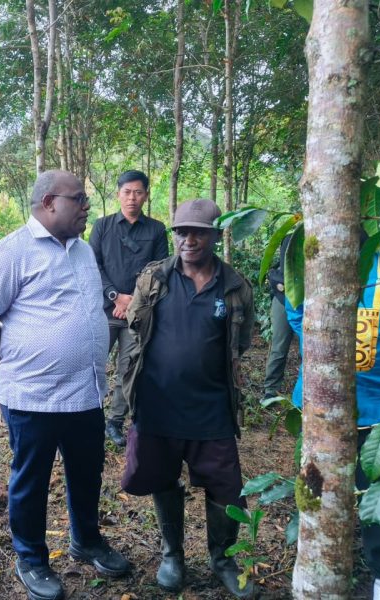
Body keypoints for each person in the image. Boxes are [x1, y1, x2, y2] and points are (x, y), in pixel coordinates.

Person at [0, 170, 130, 600]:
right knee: (31, 479)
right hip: (32, 395)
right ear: (48, 202)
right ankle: (32, 559)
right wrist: (16, 355)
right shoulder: (12, 252)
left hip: (86, 391)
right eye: (79, 199)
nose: (86, 207)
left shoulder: (80, 251)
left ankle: (86, 540)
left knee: (86, 471)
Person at [121, 199, 255, 597]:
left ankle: (222, 558)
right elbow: (135, 325)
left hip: (211, 406)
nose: (188, 239)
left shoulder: (234, 286)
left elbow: (240, 343)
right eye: (181, 231)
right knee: (161, 476)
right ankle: (172, 554)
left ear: (216, 235)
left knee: (226, 486)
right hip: (158, 403)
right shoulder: (154, 278)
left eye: (198, 231)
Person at [287, 254, 380, 600]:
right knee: (318, 484)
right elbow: (296, 310)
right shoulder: (317, 250)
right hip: (324, 397)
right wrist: (329, 350)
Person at [89, 170, 168, 447]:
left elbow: (159, 270)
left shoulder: (156, 230)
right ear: (118, 193)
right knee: (93, 364)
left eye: (138, 192)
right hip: (105, 311)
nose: (132, 198)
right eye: (127, 192)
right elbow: (92, 266)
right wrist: (114, 296)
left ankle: (115, 421)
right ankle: (89, 417)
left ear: (146, 195)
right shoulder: (102, 226)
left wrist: (132, 301)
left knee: (129, 368)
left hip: (139, 313)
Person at [263, 234, 294, 399]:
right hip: (284, 298)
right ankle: (270, 390)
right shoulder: (289, 239)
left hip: (311, 298)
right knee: (279, 347)